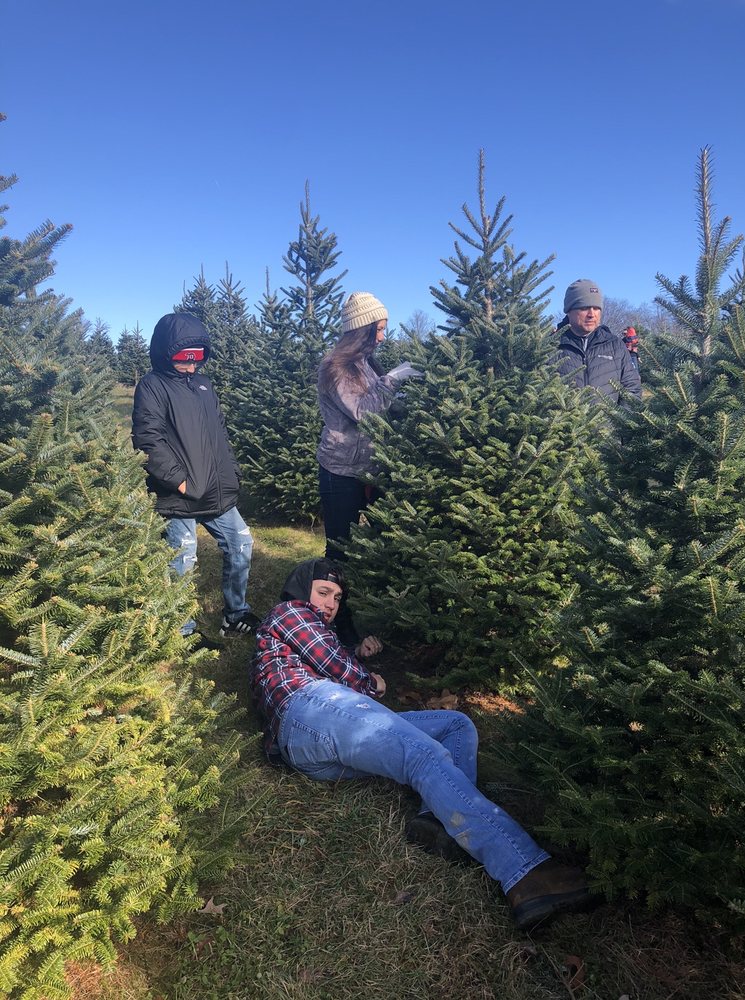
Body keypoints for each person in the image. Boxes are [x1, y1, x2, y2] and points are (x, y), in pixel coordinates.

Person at [250, 558, 594, 931]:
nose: (331, 603)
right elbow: (337, 666)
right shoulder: (289, 611)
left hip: (321, 739)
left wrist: (358, 660)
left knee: (454, 725)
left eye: (337, 597)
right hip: (310, 708)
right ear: (302, 590)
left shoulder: (311, 626)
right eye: (324, 592)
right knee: (421, 755)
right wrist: (371, 682)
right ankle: (524, 871)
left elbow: (338, 659)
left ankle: (435, 822)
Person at [132, 312, 258, 639]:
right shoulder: (152, 386)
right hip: (178, 494)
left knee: (241, 542)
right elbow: (148, 441)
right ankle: (182, 633)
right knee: (183, 558)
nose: (190, 367)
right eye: (183, 361)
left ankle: (235, 614)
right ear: (165, 354)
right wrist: (179, 481)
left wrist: (231, 472)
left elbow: (219, 433)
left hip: (216, 490)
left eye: (196, 360)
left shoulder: (204, 385)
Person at [317, 291, 423, 563]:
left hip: (373, 466)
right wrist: (392, 380)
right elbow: (363, 411)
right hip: (341, 470)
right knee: (340, 547)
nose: (382, 337)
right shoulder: (334, 366)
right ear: (360, 330)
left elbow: (381, 405)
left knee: (383, 538)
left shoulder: (366, 364)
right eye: (378, 330)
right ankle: (332, 602)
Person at [556, 279, 642, 402]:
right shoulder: (552, 347)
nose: (592, 314)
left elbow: (632, 389)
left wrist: (619, 419)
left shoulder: (615, 346)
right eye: (584, 308)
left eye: (596, 308)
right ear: (569, 310)